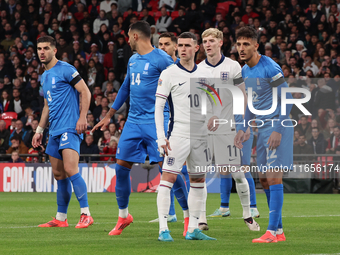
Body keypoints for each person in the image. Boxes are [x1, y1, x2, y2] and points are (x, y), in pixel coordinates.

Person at [92, 21, 173, 236]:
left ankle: (186, 217)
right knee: (121, 167)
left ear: (135, 36)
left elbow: (177, 89)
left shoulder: (163, 59)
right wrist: (109, 115)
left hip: (157, 121)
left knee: (169, 171)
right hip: (133, 121)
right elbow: (126, 87)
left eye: (128, 36)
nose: (127, 40)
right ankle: (123, 216)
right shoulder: (133, 59)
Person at [155, 32, 217, 242]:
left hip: (201, 136)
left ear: (196, 48)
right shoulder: (169, 73)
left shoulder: (206, 73)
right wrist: (160, 137)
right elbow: (159, 106)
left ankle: (193, 229)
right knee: (168, 179)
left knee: (198, 181)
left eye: (187, 46)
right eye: (180, 46)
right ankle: (163, 229)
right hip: (178, 133)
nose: (182, 49)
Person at [234, 26, 294, 243]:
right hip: (261, 127)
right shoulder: (245, 71)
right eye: (239, 44)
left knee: (273, 176)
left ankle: (270, 232)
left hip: (278, 125)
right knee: (263, 180)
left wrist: (278, 129)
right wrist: (244, 126)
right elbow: (250, 102)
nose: (241, 48)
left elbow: (287, 98)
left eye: (246, 44)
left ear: (256, 45)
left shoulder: (269, 67)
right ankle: (278, 232)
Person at [198, 28, 260, 231]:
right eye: (205, 41)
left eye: (211, 41)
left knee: (238, 173)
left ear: (220, 43)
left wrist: (245, 125)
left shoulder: (233, 67)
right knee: (200, 174)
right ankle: (201, 219)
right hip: (204, 130)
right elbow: (197, 102)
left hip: (228, 129)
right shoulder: (198, 70)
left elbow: (241, 97)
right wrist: (208, 117)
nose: (207, 44)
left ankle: (247, 215)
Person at [32, 36, 93, 228]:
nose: (42, 52)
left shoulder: (66, 69)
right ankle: (60, 218)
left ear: (54, 50)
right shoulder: (45, 76)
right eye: (39, 48)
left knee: (70, 168)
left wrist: (83, 117)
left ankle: (86, 214)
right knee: (59, 174)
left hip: (70, 127)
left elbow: (85, 91)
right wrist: (39, 130)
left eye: (46, 48)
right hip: (55, 130)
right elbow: (47, 105)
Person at [149, 32, 190, 225]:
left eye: (166, 44)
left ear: (175, 47)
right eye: (160, 44)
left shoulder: (184, 69)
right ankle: (172, 213)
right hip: (169, 125)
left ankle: (193, 215)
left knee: (189, 174)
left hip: (187, 127)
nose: (162, 47)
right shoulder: (164, 70)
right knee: (167, 170)